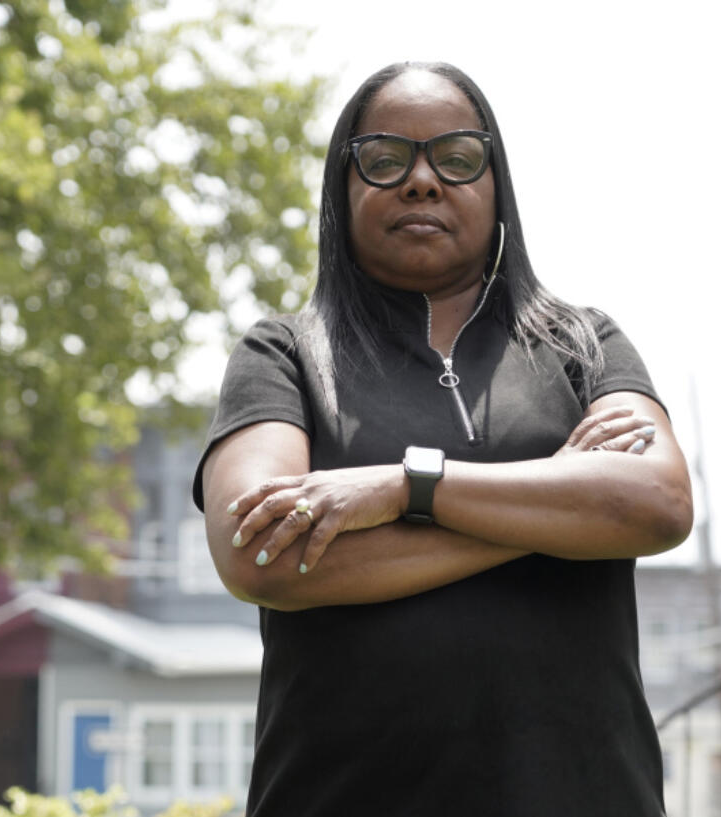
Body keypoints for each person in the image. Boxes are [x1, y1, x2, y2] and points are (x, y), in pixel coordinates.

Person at [192, 62, 693, 816]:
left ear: (498, 189)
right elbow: (263, 553)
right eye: (386, 158)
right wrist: (559, 502)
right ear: (343, 187)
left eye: (457, 158)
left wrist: (406, 488)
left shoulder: (583, 344)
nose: (421, 181)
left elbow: (658, 502)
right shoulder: (285, 355)